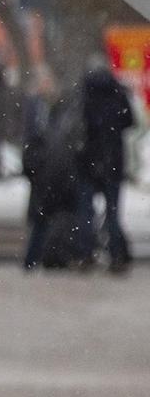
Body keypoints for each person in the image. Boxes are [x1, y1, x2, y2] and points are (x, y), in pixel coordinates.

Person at [22, 68, 86, 270]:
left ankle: (50, 257)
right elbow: (32, 143)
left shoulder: (61, 111)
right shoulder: (37, 109)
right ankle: (36, 259)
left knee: (53, 218)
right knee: (42, 219)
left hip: (57, 172)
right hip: (46, 172)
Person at [79, 60, 136, 274]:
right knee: (112, 213)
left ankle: (85, 254)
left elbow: (78, 125)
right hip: (113, 161)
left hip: (88, 161)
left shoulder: (85, 93)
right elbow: (130, 120)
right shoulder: (117, 93)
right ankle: (116, 256)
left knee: (86, 213)